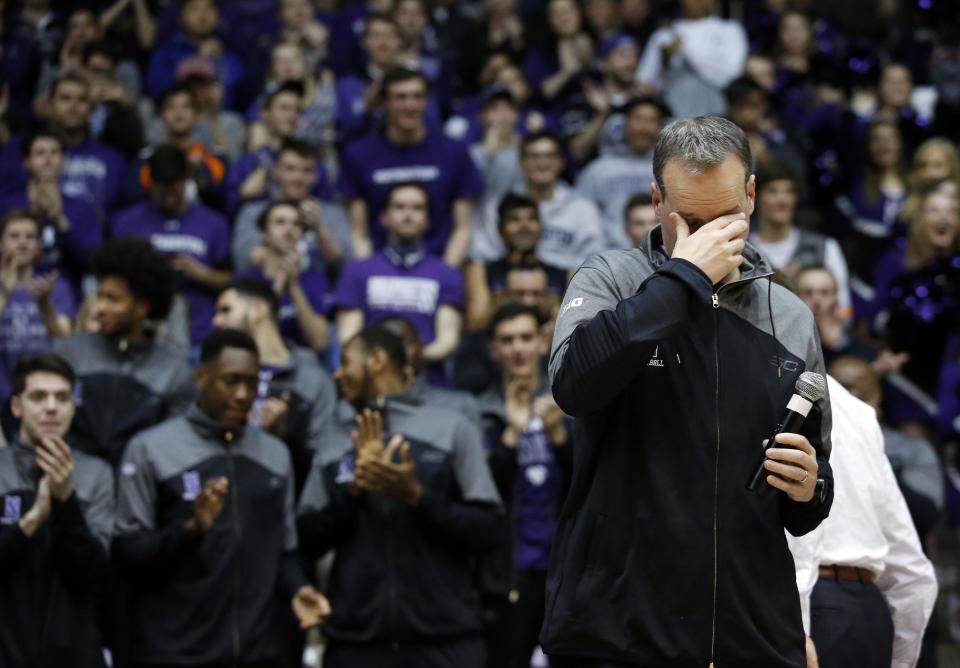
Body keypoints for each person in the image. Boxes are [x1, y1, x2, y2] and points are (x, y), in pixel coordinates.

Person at [543, 116, 833, 667]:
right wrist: (683, 278)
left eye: (725, 218)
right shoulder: (610, 277)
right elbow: (573, 384)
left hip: (753, 632)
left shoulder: (788, 315)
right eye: (691, 221)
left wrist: (809, 487)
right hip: (619, 631)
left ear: (751, 196)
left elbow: (811, 489)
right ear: (656, 200)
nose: (708, 239)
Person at [114, 328, 331, 668]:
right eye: (231, 381)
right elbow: (128, 555)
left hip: (258, 653)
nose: (244, 394)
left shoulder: (275, 455)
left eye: (252, 382)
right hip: (175, 652)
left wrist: (298, 589)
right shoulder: (150, 450)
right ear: (202, 377)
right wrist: (191, 530)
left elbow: (284, 552)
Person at [297, 325, 503, 667]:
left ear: (377, 360)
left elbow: (488, 530)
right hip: (356, 641)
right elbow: (306, 539)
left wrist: (418, 496)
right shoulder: (333, 438)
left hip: (445, 639)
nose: (337, 373)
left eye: (346, 362)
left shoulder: (452, 428)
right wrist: (354, 490)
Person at [787, 375, 937, 668]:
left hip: (814, 606)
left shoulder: (777, 385)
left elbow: (801, 537)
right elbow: (911, 566)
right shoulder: (858, 411)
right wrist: (903, 660)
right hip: (869, 612)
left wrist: (799, 628)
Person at [0, 353, 115, 668]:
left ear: (73, 407)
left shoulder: (97, 474)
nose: (52, 406)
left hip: (75, 655)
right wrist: (32, 519)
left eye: (62, 397)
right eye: (38, 397)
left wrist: (66, 502)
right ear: (16, 407)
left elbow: (93, 576)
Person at [478, 303, 571, 668]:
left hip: (563, 571)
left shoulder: (572, 400)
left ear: (542, 343)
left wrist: (561, 436)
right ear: (493, 350)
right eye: (507, 339)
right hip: (507, 571)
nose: (517, 348)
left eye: (526, 338)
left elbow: (591, 481)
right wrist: (511, 436)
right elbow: (479, 493)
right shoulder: (479, 410)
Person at [52, 237, 195, 468]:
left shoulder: (174, 372)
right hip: (70, 481)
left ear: (142, 307)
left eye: (113, 299)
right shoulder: (68, 353)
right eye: (100, 296)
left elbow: (174, 451)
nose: (99, 308)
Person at [339, 66, 483, 266]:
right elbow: (358, 231)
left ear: (426, 102)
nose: (410, 105)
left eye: (418, 97)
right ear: (385, 102)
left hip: (439, 264)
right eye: (400, 97)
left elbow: (463, 228)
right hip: (380, 269)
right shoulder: (359, 155)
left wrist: (445, 274)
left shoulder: (454, 152)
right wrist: (369, 274)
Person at [212, 278, 337, 492]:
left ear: (258, 310)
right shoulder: (215, 375)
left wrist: (284, 437)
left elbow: (324, 459)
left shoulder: (312, 380)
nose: (216, 321)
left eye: (226, 310)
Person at [334, 182, 464, 385]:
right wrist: (380, 361)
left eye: (417, 208)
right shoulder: (357, 271)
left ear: (427, 218)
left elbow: (448, 341)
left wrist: (405, 358)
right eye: (400, 207)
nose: (408, 214)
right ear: (384, 217)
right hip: (371, 381)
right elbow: (348, 338)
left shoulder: (446, 274)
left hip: (428, 383)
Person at [112, 144, 231, 347]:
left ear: (186, 180)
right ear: (150, 183)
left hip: (199, 332)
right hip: (140, 333)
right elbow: (111, 280)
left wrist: (202, 274)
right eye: (161, 186)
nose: (168, 195)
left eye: (174, 185)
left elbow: (233, 280)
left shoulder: (214, 223)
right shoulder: (125, 222)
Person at [0, 73, 126, 215]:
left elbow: (116, 213)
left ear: (91, 109)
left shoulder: (111, 158)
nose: (73, 107)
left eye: (82, 100)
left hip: (91, 234)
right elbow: (4, 199)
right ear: (50, 104)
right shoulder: (20, 148)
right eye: (65, 98)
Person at [0, 127, 102, 299]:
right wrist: (31, 217)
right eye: (40, 153)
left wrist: (59, 220)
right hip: (10, 294)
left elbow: (93, 262)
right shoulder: (6, 205)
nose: (48, 159)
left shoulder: (81, 208)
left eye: (55, 152)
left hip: (65, 297)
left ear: (63, 159)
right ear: (26, 161)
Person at [231, 139, 349, 278]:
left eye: (307, 171)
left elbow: (344, 265)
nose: (298, 178)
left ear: (316, 176)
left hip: (319, 292)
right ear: (276, 171)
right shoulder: (253, 211)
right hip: (267, 288)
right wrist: (287, 253)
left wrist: (318, 228)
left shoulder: (333, 213)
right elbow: (243, 259)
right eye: (290, 169)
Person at [748, 160, 852, 315]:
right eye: (773, 191)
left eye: (789, 192)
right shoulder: (744, 250)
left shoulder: (824, 247)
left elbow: (845, 310)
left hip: (815, 335)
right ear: (755, 197)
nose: (782, 200)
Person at [234, 201, 332, 354]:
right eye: (280, 222)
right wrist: (279, 284)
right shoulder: (245, 282)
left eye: (296, 224)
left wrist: (293, 285)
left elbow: (319, 343)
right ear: (263, 234)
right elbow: (245, 338)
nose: (289, 229)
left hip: (304, 363)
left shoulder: (315, 278)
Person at [501, 131, 604, 272]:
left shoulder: (582, 209)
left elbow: (593, 262)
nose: (542, 163)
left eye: (550, 156)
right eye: (534, 156)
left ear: (561, 162)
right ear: (521, 162)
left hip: (568, 286)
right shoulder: (505, 203)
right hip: (512, 282)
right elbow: (490, 253)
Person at [0, 210, 74, 406]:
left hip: (44, 391)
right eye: (14, 236)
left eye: (30, 237)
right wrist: (5, 295)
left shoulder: (56, 287)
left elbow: (65, 338)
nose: (22, 243)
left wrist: (45, 304)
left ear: (39, 245)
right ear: (1, 243)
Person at [465, 193, 568, 333]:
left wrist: (548, 306)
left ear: (541, 229)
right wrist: (506, 300)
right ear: (500, 230)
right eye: (514, 220)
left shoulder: (564, 273)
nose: (524, 226)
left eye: (531, 219)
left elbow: (572, 324)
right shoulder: (481, 269)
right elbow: (475, 323)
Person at [575, 96, 665, 249]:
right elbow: (580, 215)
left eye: (651, 120)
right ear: (625, 124)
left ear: (660, 127)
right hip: (606, 255)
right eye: (638, 119)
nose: (643, 127)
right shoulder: (599, 169)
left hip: (660, 255)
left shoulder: (668, 169)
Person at [635, 0, 748, 118]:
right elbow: (644, 83)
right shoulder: (663, 34)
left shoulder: (730, 30)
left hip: (717, 114)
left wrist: (685, 48)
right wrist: (664, 61)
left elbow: (732, 75)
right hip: (673, 117)